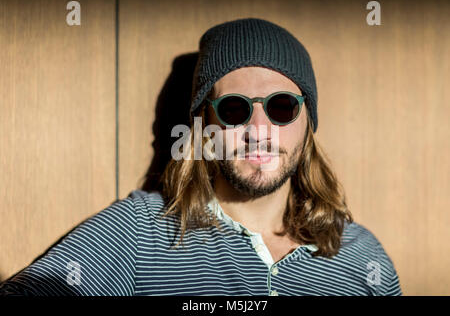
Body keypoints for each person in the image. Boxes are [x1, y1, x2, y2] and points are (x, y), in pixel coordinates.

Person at [0, 17, 402, 296]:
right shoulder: (140, 233)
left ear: (307, 122)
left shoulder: (361, 255)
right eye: (233, 109)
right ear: (204, 124)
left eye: (281, 107)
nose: (258, 129)